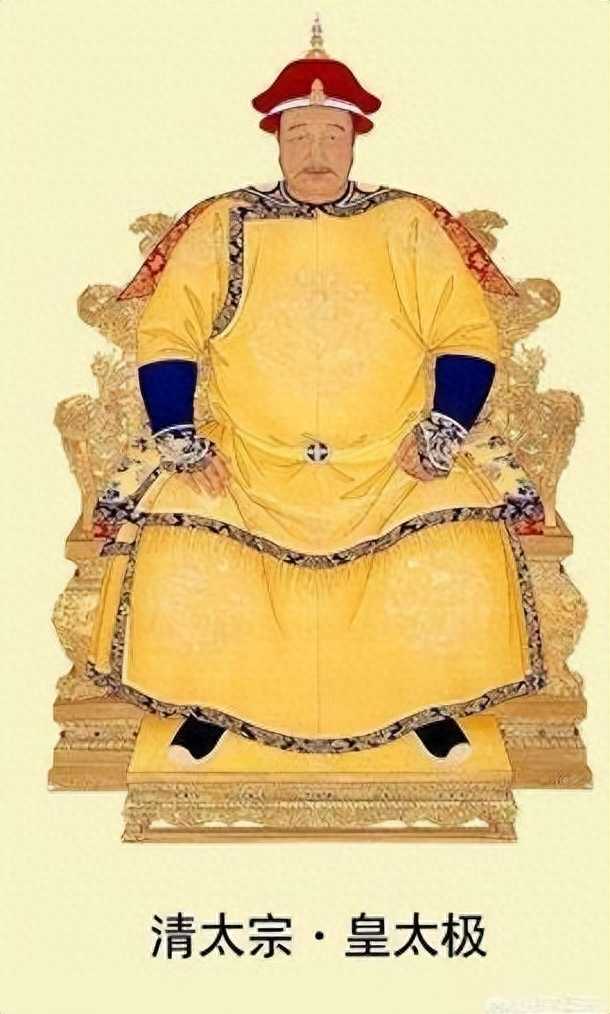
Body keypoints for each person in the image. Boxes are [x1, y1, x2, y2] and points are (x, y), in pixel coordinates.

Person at [86, 20, 546, 768]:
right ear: (275, 139)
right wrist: (179, 435)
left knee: (453, 530)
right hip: (249, 456)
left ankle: (427, 704)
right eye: (299, 136)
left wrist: (441, 428)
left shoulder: (406, 223)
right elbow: (168, 333)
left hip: (392, 458)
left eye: (333, 136)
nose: (316, 153)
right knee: (187, 527)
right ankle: (212, 704)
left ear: (356, 139)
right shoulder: (224, 223)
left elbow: (467, 331)